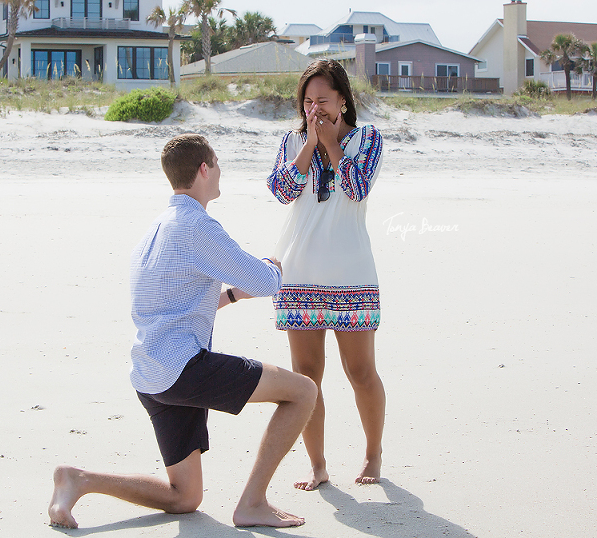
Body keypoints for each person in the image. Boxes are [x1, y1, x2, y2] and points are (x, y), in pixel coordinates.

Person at [49, 134, 318, 529]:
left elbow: (176, 298)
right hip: (182, 369)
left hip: (149, 374)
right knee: (303, 391)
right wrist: (273, 266)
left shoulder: (156, 230)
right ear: (204, 169)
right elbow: (264, 281)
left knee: (185, 498)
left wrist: (228, 296)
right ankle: (253, 503)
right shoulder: (198, 226)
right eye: (217, 162)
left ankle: (79, 480)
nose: (220, 170)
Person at [267, 59, 385, 489]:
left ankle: (373, 455)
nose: (314, 108)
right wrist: (308, 146)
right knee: (306, 378)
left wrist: (332, 144)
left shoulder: (366, 138)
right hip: (298, 277)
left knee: (361, 373)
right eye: (308, 101)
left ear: (342, 100)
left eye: (323, 100)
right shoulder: (292, 140)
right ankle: (318, 466)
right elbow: (281, 190)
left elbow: (356, 188)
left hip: (351, 274)